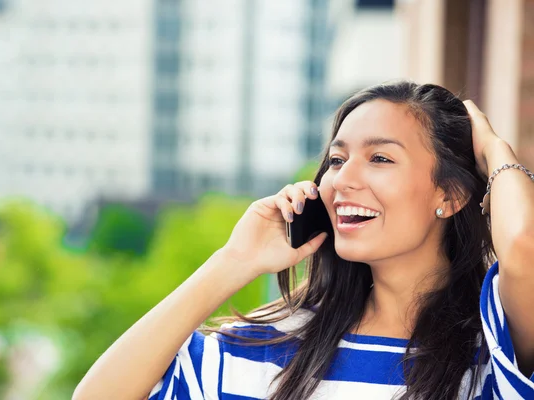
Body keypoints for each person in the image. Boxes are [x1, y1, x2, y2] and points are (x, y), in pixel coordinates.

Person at [72, 82, 534, 400]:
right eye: (336, 159)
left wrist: (495, 150)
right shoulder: (266, 346)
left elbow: (523, 246)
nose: (343, 180)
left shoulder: (497, 344)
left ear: (450, 195)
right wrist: (234, 261)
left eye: (379, 158)